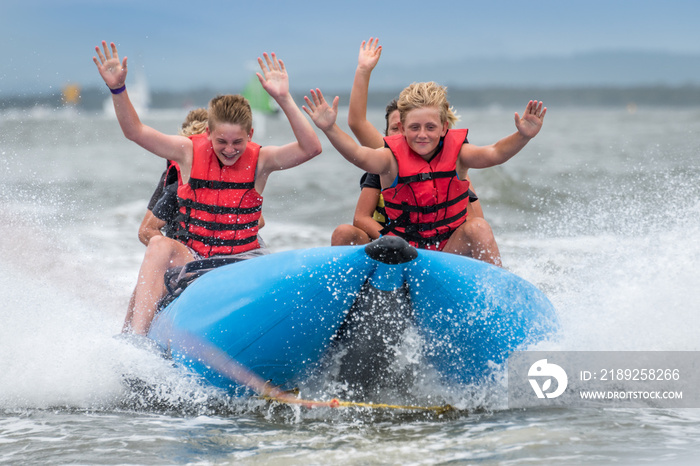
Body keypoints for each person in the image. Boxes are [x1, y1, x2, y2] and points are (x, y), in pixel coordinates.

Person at [94, 41, 322, 335]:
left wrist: (283, 98)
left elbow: (311, 148)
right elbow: (135, 132)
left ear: (250, 135)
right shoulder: (187, 153)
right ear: (208, 134)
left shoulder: (261, 160)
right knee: (159, 244)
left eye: (238, 142)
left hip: (243, 260)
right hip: (197, 259)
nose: (230, 150)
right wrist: (118, 90)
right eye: (221, 141)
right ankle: (137, 343)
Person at [303, 82, 546, 266]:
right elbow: (357, 153)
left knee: (479, 227)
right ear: (402, 130)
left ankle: (498, 293)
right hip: (400, 251)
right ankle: (346, 303)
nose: (422, 134)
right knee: (343, 233)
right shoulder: (389, 159)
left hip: (447, 253)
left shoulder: (460, 154)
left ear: (444, 128)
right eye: (414, 127)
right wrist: (330, 128)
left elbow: (495, 153)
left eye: (430, 127)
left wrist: (522, 136)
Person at [332, 38, 493, 253]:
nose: (406, 136)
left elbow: (474, 224)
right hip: (388, 244)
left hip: (437, 249)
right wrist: (363, 70)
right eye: (396, 129)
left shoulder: (449, 164)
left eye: (422, 128)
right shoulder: (384, 158)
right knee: (344, 231)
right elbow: (357, 123)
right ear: (387, 134)